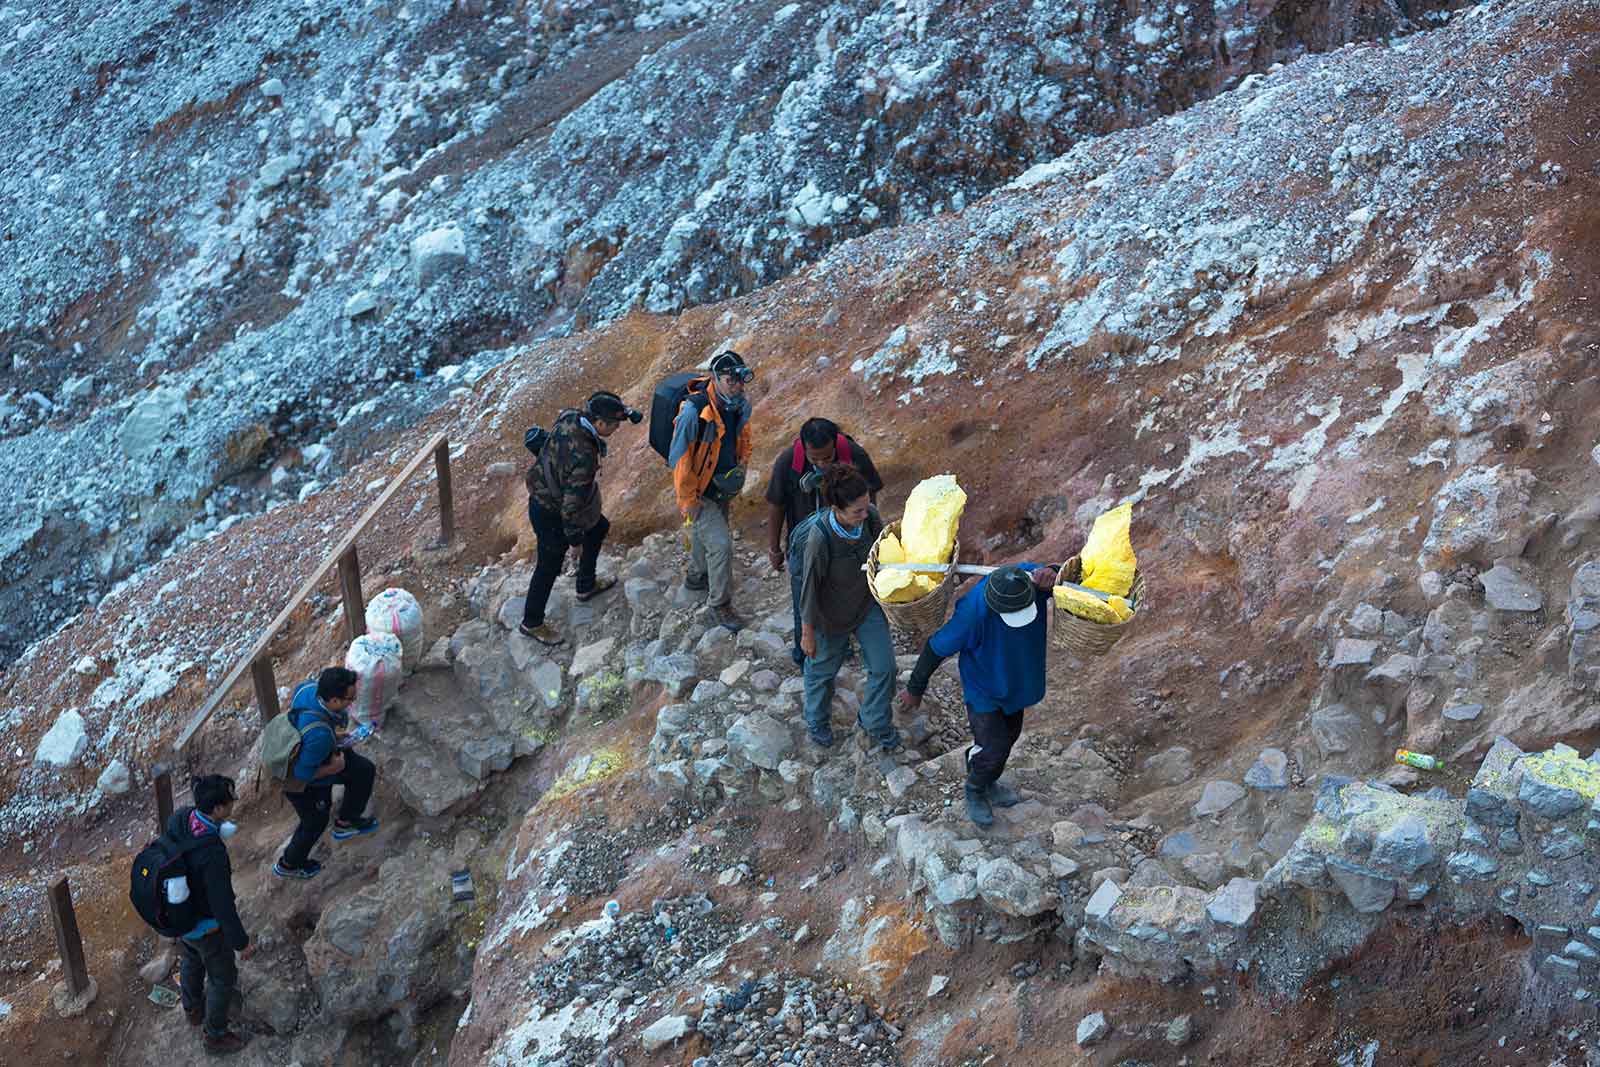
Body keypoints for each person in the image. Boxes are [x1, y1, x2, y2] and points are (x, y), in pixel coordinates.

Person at [897, 562, 1058, 829]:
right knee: (994, 747)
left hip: (1015, 680)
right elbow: (936, 648)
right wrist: (915, 689)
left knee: (1009, 736)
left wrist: (1052, 569)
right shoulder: (974, 613)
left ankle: (984, 772)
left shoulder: (1025, 580)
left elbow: (1063, 575)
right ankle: (975, 789)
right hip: (984, 687)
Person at [520, 390, 638, 646]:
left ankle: (586, 585)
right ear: (598, 423)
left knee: (599, 527)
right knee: (549, 565)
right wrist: (575, 541)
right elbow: (570, 508)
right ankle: (532, 622)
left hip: (544, 495)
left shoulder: (570, 417)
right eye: (614, 424)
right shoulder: (584, 455)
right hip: (549, 510)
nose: (617, 429)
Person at [797, 465, 901, 751]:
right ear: (836, 509)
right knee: (821, 672)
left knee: (885, 668)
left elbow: (886, 551)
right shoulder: (820, 538)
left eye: (866, 508)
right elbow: (808, 589)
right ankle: (817, 720)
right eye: (857, 511)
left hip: (865, 606)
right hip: (828, 616)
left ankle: (875, 721)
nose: (865, 515)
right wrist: (807, 632)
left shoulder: (871, 518)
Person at [765, 417, 884, 665]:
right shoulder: (788, 462)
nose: (820, 463)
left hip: (845, 546)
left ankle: (840, 646)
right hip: (803, 547)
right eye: (814, 459)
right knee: (804, 600)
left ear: (835, 445)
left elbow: (869, 497)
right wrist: (774, 549)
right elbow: (776, 505)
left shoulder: (853, 454)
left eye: (827, 458)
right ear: (803, 447)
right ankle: (804, 657)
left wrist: (871, 535)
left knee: (842, 596)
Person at [668, 350, 754, 631]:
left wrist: (741, 464)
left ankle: (696, 576)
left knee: (700, 532)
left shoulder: (737, 405)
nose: (738, 386)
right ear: (715, 379)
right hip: (700, 490)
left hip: (722, 484)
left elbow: (744, 435)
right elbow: (680, 458)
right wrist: (687, 500)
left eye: (740, 380)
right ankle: (720, 604)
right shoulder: (694, 412)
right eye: (731, 380)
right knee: (721, 545)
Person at [172, 774, 253, 1056]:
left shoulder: (181, 818)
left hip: (180, 918)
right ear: (217, 808)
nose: (232, 805)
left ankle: (192, 1008)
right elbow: (223, 907)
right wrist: (241, 942)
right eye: (229, 802)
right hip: (206, 928)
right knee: (222, 977)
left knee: (191, 960)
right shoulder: (213, 856)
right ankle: (215, 1036)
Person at [273, 667, 379, 880]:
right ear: (333, 700)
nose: (353, 701)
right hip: (303, 777)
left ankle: (346, 822)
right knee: (315, 821)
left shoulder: (308, 689)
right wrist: (334, 768)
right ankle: (289, 864)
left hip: (317, 751)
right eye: (350, 698)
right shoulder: (320, 735)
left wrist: (336, 736)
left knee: (363, 770)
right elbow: (302, 775)